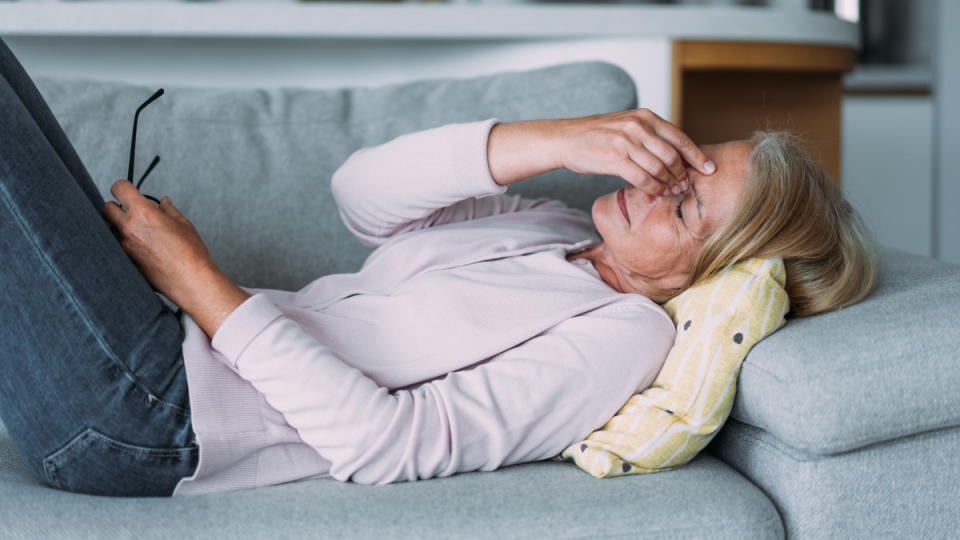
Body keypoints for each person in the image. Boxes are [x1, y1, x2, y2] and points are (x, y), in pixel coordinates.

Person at [0, 37, 878, 498]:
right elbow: (361, 196)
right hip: (162, 347)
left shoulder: (622, 339)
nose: (655, 182)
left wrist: (199, 281)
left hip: (153, 419)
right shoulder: (552, 226)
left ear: (710, 273)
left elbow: (389, 446)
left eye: (684, 204)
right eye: (682, 160)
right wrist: (558, 137)